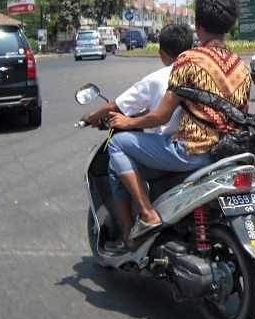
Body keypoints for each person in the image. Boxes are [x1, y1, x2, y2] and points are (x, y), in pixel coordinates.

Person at [107, 0, 252, 245]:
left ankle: (147, 213)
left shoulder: (189, 60)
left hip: (191, 152)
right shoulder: (241, 65)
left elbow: (161, 116)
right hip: (227, 154)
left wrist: (128, 123)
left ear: (198, 25)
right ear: (229, 26)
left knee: (118, 143)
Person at [81, 24, 193, 251]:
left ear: (162, 52)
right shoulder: (202, 72)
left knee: (117, 149)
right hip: (207, 147)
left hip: (177, 150)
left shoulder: (160, 78)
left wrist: (92, 117)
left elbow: (120, 106)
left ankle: (136, 226)